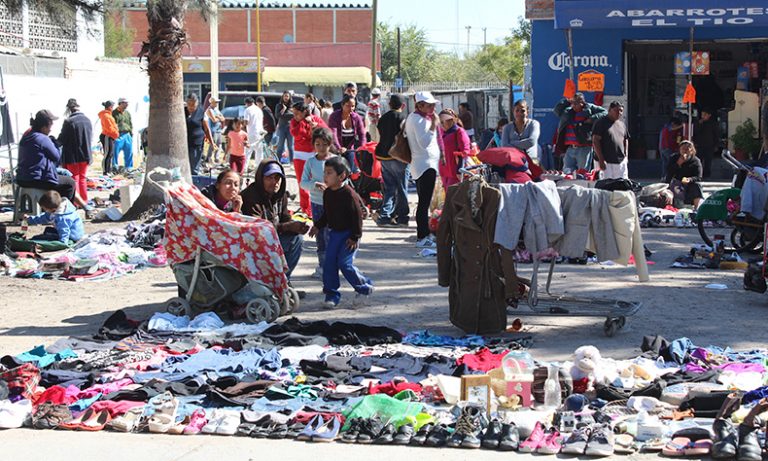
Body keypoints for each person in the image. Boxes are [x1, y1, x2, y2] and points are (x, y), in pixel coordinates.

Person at [309, 156, 374, 309]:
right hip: (334, 234)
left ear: (342, 176)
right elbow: (327, 214)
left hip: (349, 235)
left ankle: (364, 288)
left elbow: (357, 217)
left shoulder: (348, 194)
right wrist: (318, 225)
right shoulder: (328, 193)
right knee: (329, 263)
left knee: (345, 264)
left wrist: (355, 236)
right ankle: (331, 294)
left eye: (329, 173)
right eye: (325, 172)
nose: (325, 176)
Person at [241, 159, 309, 278]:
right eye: (269, 178)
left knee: (297, 238)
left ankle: (283, 281)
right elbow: (258, 229)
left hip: (272, 238)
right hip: (253, 243)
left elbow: (285, 217)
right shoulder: (251, 196)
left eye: (277, 178)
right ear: (260, 178)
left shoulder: (280, 194)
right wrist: (287, 226)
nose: (274, 182)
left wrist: (296, 226)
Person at [16, 110, 92, 214]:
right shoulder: (42, 138)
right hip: (36, 179)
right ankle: (63, 213)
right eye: (50, 126)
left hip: (22, 178)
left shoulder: (27, 136)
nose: (51, 129)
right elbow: (56, 157)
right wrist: (55, 144)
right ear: (44, 126)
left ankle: (79, 207)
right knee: (70, 183)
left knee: (64, 176)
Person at [405, 91, 443, 248]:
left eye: (433, 104)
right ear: (419, 105)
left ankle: (424, 235)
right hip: (425, 165)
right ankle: (422, 236)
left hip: (425, 165)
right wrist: (434, 125)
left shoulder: (419, 118)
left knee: (423, 202)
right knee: (423, 203)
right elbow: (424, 142)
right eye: (429, 105)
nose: (433, 107)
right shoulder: (418, 120)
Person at [300, 127, 337, 278]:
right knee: (320, 235)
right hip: (316, 204)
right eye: (318, 144)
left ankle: (333, 265)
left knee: (332, 235)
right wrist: (314, 185)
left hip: (334, 205)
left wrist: (332, 187)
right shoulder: (310, 162)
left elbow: (344, 180)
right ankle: (322, 266)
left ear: (330, 144)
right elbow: (303, 182)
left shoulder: (336, 161)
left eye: (324, 144)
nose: (321, 148)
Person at [374, 94, 409, 227]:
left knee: (389, 188)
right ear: (403, 106)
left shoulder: (383, 118)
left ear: (389, 104)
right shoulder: (403, 118)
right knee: (402, 187)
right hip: (399, 157)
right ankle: (402, 217)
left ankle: (385, 216)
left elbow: (379, 135)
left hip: (383, 157)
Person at [290, 101, 328, 216]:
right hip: (299, 155)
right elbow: (296, 133)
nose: (295, 116)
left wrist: (315, 126)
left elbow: (326, 131)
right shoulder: (294, 122)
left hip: (313, 155)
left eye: (297, 114)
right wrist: (302, 122)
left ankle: (318, 205)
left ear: (305, 112)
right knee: (302, 182)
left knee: (317, 180)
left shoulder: (316, 119)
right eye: (294, 114)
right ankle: (305, 208)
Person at [554, 92, 607, 173]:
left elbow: (605, 113)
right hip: (570, 148)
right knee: (567, 172)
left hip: (584, 148)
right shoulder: (568, 111)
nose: (573, 106)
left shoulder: (589, 108)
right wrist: (567, 100)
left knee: (582, 173)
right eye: (572, 103)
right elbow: (557, 110)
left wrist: (592, 119)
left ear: (582, 103)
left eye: (576, 104)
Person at [58, 98, 93, 202]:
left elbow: (62, 139)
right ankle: (84, 200)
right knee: (82, 178)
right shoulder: (87, 120)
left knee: (74, 179)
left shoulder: (69, 121)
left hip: (72, 156)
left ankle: (76, 202)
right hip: (86, 154)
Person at [328, 94, 365, 174]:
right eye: (348, 106)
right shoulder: (334, 116)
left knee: (349, 172)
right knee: (337, 173)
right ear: (342, 105)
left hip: (349, 149)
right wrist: (339, 148)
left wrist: (362, 148)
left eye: (353, 106)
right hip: (335, 149)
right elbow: (333, 134)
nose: (351, 108)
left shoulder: (357, 118)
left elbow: (362, 134)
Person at [592, 101, 630, 180]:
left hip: (620, 162)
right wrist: (601, 160)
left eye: (621, 111)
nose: (619, 113)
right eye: (616, 110)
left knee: (621, 186)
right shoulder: (601, 122)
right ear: (609, 110)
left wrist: (626, 155)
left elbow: (625, 140)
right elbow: (595, 141)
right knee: (605, 187)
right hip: (605, 163)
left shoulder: (622, 124)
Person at [438, 108, 470, 188]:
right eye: (440, 122)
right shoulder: (442, 132)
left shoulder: (459, 132)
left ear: (451, 121)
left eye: (443, 122)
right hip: (445, 172)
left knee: (454, 198)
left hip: (455, 173)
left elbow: (464, 152)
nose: (441, 125)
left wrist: (460, 170)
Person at [666, 140, 704, 209]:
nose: (685, 151)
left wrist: (690, 179)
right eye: (683, 149)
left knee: (697, 186)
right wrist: (678, 164)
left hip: (689, 183)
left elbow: (699, 177)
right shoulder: (674, 158)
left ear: (691, 151)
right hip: (676, 182)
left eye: (687, 149)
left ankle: (697, 208)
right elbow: (669, 171)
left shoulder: (696, 161)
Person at [185, 93, 211, 176]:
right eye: (189, 104)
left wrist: (212, 142)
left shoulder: (202, 112)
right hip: (184, 143)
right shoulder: (182, 112)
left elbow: (206, 128)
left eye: (193, 104)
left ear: (197, 103)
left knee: (194, 167)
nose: (191, 106)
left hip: (196, 143)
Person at [693, 109, 720, 179]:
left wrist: (716, 145)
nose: (703, 116)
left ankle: (707, 175)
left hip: (709, 145)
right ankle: (699, 174)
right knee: (699, 160)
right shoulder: (698, 122)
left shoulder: (713, 123)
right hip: (699, 145)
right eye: (702, 114)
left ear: (709, 115)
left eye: (705, 114)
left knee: (708, 161)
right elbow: (695, 132)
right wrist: (699, 124)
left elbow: (716, 134)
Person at [112, 97, 134, 170]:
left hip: (127, 135)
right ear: (120, 103)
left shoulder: (127, 113)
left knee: (129, 152)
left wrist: (131, 133)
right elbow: (113, 124)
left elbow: (130, 124)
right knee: (115, 152)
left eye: (127, 103)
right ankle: (114, 167)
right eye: (125, 103)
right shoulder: (114, 113)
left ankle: (129, 168)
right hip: (119, 135)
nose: (127, 105)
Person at [98, 101, 119, 175]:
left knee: (110, 154)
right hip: (107, 136)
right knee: (107, 154)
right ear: (110, 107)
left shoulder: (109, 115)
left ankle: (108, 170)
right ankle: (105, 171)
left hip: (111, 136)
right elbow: (109, 128)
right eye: (112, 106)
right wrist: (116, 134)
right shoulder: (106, 116)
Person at [274, 91, 295, 162]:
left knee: (290, 146)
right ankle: (278, 161)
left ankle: (292, 163)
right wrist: (283, 109)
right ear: (282, 97)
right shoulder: (279, 106)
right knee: (280, 146)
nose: (286, 97)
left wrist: (284, 115)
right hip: (281, 128)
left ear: (289, 97)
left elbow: (294, 116)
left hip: (290, 128)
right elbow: (277, 116)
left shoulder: (293, 106)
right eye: (285, 96)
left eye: (287, 96)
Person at [244, 96, 265, 167]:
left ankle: (244, 168)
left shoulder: (247, 110)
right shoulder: (259, 110)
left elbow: (246, 122)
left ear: (247, 103)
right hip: (260, 133)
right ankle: (259, 168)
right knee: (259, 152)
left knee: (247, 151)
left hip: (251, 132)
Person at [204, 96, 225, 164]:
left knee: (219, 144)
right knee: (212, 145)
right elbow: (214, 120)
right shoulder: (209, 110)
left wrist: (218, 117)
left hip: (218, 130)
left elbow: (223, 118)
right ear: (212, 102)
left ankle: (217, 158)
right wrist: (219, 117)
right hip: (213, 130)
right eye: (216, 102)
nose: (217, 103)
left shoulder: (216, 109)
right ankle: (208, 157)